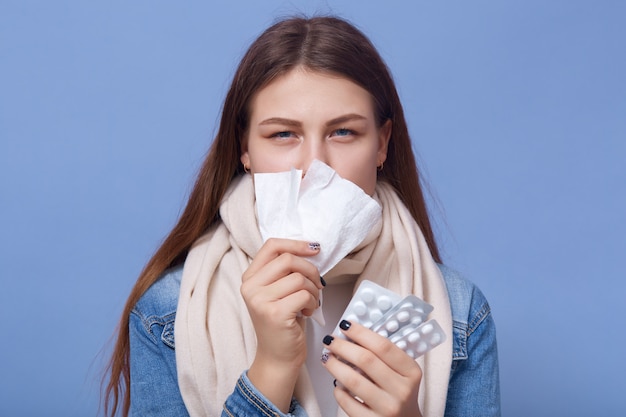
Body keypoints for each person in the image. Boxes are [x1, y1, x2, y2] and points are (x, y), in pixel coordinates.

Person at [103, 16, 500, 417]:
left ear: (381, 145)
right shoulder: (168, 312)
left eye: (343, 132)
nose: (315, 166)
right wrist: (272, 367)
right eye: (282, 134)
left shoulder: (459, 310)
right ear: (245, 150)